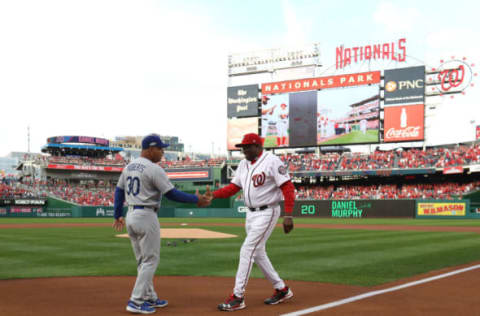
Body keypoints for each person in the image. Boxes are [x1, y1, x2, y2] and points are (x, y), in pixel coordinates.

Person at [112, 133, 210, 314]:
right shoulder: (154, 169)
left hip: (131, 216)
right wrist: (195, 199)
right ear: (150, 149)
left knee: (143, 261)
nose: (162, 152)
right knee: (150, 260)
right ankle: (136, 301)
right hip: (147, 216)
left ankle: (150, 297)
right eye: (160, 148)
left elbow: (119, 191)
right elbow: (172, 193)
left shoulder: (129, 166)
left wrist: (117, 214)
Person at [207, 133, 295, 312]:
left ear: (257, 146)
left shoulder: (272, 161)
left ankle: (238, 297)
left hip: (268, 211)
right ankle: (282, 289)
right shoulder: (243, 164)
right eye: (243, 147)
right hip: (250, 214)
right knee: (259, 252)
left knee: (247, 250)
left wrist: (288, 215)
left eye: (247, 147)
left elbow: (287, 187)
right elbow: (233, 188)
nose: (244, 150)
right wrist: (213, 195)